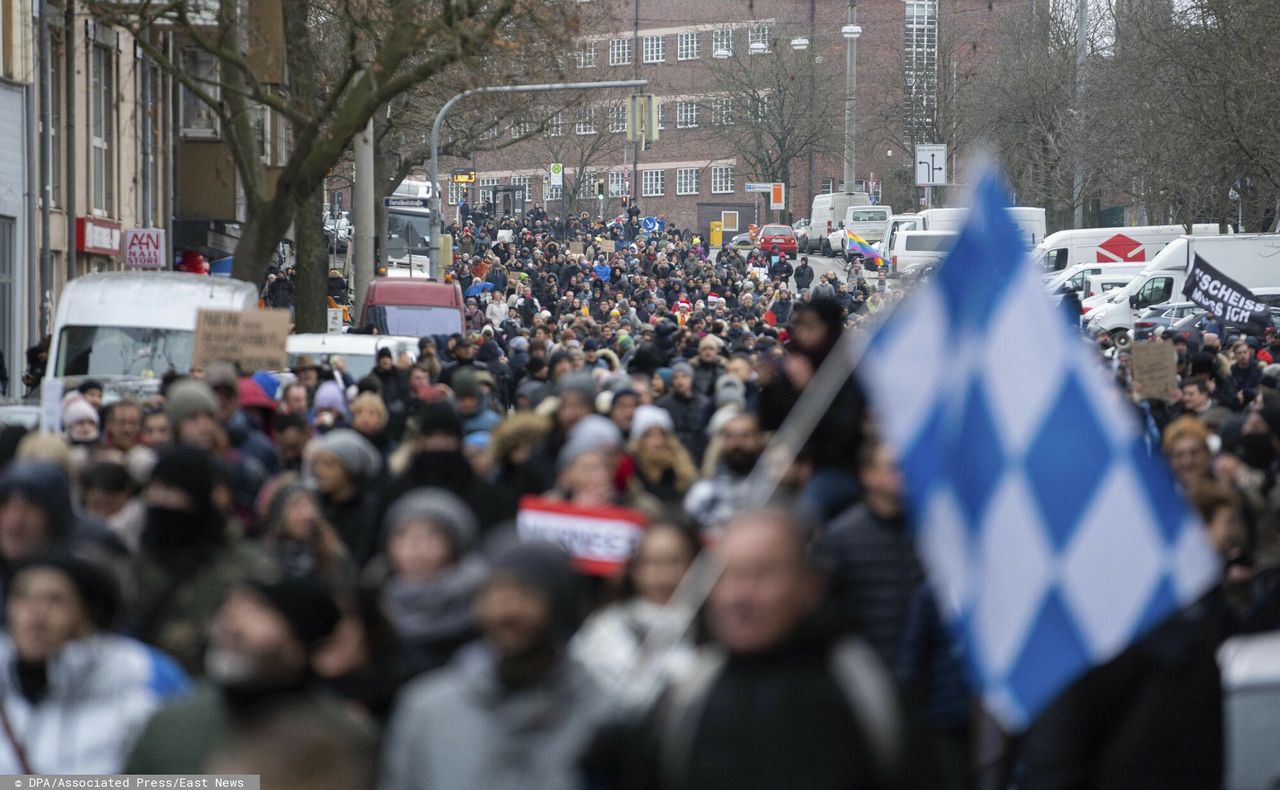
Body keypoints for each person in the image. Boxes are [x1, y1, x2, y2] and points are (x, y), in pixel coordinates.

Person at [601, 509, 908, 790]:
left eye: (763, 573)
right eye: (726, 576)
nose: (740, 595)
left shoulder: (862, 686)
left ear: (811, 584)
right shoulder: (690, 693)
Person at [380, 542, 610, 790]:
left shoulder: (602, 716)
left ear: (560, 606)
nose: (507, 612)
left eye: (526, 593)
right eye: (496, 593)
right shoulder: (425, 710)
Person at [126, 578, 370, 774]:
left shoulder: (345, 741)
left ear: (297, 648)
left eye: (257, 609)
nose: (231, 618)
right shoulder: (173, 721)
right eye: (230, 605)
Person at [0, 556, 189, 773]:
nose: (35, 614)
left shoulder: (140, 677)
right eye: (22, 597)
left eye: (55, 600)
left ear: (86, 614)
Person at [571, 520, 699, 707]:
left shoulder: (714, 629)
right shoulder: (605, 628)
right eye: (649, 562)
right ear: (634, 569)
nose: (661, 575)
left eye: (673, 562)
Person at [819, 442, 923, 665]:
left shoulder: (931, 533)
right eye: (895, 467)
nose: (905, 475)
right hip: (870, 669)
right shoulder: (841, 537)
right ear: (869, 475)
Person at [370, 489, 488, 673]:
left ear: (456, 544)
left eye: (432, 534)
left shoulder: (483, 605)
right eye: (402, 534)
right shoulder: (372, 602)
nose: (415, 546)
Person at [306, 429, 383, 567]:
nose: (320, 471)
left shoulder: (370, 510)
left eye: (330, 464)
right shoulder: (311, 503)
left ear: (349, 469)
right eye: (317, 463)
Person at [629, 405, 699, 505]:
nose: (657, 442)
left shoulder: (681, 465)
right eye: (649, 435)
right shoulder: (633, 467)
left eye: (662, 434)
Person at [656, 361, 713, 465]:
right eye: (676, 378)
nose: (680, 381)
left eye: (684, 376)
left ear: (691, 378)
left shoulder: (705, 404)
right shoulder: (662, 406)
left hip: (699, 458)